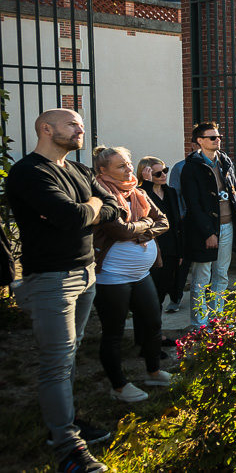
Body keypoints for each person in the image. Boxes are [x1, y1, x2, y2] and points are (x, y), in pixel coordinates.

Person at [8, 109, 120, 472]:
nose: (80, 129)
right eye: (72, 124)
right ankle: (67, 450)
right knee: (56, 364)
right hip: (52, 278)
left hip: (86, 272)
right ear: (46, 129)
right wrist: (87, 209)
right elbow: (72, 217)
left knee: (69, 357)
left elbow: (114, 208)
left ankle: (66, 422)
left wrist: (87, 208)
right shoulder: (29, 173)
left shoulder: (80, 171)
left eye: (81, 124)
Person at [92, 146, 171, 403]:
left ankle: (153, 371)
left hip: (140, 273)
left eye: (128, 164)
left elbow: (164, 222)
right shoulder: (100, 196)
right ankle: (118, 386)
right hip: (112, 276)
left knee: (153, 322)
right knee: (114, 332)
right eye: (121, 166)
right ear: (102, 171)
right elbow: (121, 231)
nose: (128, 169)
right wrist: (145, 225)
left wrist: (143, 230)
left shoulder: (138, 193)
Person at [182, 122, 236, 330]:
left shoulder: (224, 160)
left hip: (227, 225)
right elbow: (193, 204)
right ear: (200, 141)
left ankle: (216, 319)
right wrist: (208, 232)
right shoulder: (191, 167)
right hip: (206, 230)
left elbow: (233, 190)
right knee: (202, 276)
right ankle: (199, 324)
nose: (217, 140)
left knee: (221, 274)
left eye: (218, 136)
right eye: (212, 137)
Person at [137, 157, 184, 314]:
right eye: (158, 174)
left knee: (164, 285)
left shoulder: (169, 192)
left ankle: (156, 322)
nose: (163, 175)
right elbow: (145, 208)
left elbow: (176, 221)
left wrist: (180, 250)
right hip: (152, 247)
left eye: (165, 171)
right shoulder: (141, 192)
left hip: (170, 247)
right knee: (152, 290)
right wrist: (147, 183)